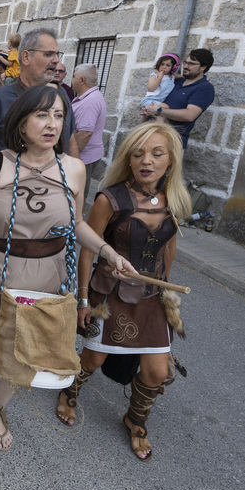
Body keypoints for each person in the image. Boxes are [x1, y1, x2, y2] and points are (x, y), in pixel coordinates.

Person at [0, 85, 134, 460]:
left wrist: (107, 251)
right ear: (21, 123)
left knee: (22, 354)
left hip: (47, 276)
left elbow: (78, 223)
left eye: (58, 116)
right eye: (41, 115)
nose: (52, 123)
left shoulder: (74, 169)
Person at [54, 120, 190, 461]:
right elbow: (88, 248)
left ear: (170, 160)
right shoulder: (109, 199)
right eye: (138, 154)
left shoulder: (173, 200)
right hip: (109, 294)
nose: (147, 161)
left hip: (150, 298)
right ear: (128, 160)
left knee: (158, 371)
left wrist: (166, 295)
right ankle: (72, 389)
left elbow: (168, 248)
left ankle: (136, 418)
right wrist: (82, 299)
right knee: (94, 358)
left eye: (157, 153)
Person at [0, 28, 76, 175]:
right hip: (4, 193)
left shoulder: (61, 96)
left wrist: (73, 183)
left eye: (57, 54)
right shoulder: (0, 99)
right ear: (26, 57)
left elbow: (70, 139)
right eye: (48, 54)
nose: (56, 60)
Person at [142, 48, 214, 148]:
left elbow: (190, 115)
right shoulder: (175, 81)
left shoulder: (205, 88)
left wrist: (158, 110)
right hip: (147, 136)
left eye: (191, 64)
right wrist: (147, 110)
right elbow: (156, 95)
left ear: (203, 67)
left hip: (170, 144)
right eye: (185, 62)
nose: (185, 66)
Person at [69, 64, 107, 200]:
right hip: (85, 156)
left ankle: (75, 219)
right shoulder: (89, 97)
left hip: (83, 157)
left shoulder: (89, 102)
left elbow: (85, 133)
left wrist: (72, 158)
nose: (72, 80)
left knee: (77, 193)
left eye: (74, 77)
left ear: (82, 80)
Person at [139, 53, 179, 119]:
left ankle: (145, 123)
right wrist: (159, 78)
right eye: (162, 64)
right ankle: (158, 125)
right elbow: (150, 88)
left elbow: (181, 77)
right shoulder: (155, 75)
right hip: (150, 100)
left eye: (168, 65)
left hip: (159, 102)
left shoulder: (172, 77)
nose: (164, 67)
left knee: (155, 114)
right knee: (165, 108)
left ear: (173, 67)